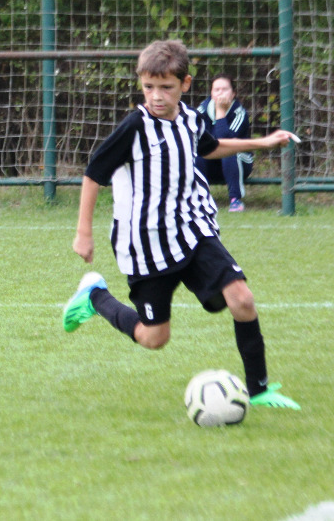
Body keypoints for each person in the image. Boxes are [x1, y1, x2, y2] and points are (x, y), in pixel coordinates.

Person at [63, 39, 300, 410]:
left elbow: (210, 147)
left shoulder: (191, 119)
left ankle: (259, 389)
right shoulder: (135, 127)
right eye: (148, 87)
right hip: (146, 245)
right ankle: (95, 297)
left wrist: (262, 143)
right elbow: (94, 173)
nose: (156, 96)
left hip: (191, 228)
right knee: (154, 338)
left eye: (166, 87)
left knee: (242, 299)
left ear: (185, 84)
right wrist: (83, 233)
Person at [195, 75, 253, 212]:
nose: (220, 93)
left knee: (229, 151)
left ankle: (235, 200)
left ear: (233, 94)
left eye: (225, 89)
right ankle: (200, 199)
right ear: (211, 93)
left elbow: (225, 142)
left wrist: (220, 111)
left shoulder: (239, 113)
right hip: (211, 163)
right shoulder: (202, 111)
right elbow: (197, 139)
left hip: (238, 163)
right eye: (217, 90)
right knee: (198, 154)